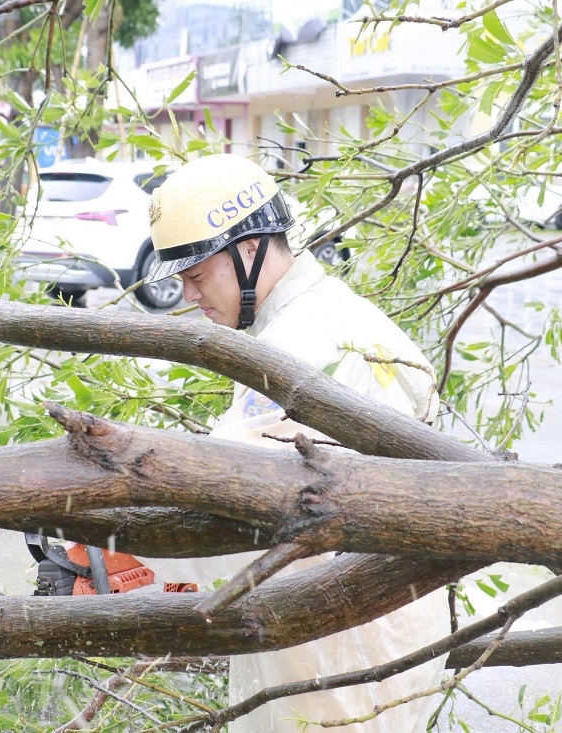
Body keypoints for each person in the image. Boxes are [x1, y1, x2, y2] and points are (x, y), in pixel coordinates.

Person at [141, 153, 449, 732]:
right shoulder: (325, 321)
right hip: (362, 647)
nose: (189, 297)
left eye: (197, 275)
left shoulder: (308, 345)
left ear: (249, 250)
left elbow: (247, 498)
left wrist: (122, 552)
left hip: (341, 664)